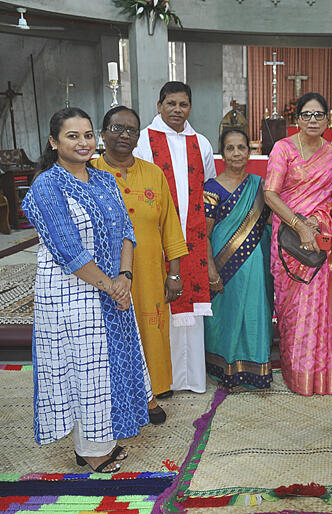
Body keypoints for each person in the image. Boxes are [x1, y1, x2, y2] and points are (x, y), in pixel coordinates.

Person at [22, 108, 152, 473]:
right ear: (54, 142)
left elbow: (127, 230)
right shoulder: (47, 186)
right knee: (84, 368)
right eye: (72, 136)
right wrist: (112, 286)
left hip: (112, 289)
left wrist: (124, 276)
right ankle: (91, 451)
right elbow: (68, 250)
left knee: (107, 365)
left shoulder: (104, 180)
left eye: (88, 135)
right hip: (71, 294)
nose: (83, 143)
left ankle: (103, 441)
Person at [92, 106, 188, 422]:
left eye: (131, 130)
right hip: (101, 274)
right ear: (103, 133)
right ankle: (109, 400)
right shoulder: (88, 172)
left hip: (147, 272)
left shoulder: (153, 173)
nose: (124, 135)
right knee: (107, 337)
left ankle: (150, 396)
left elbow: (170, 225)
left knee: (150, 332)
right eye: (117, 128)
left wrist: (174, 272)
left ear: (138, 137)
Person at [134, 81, 217, 396]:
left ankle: (191, 377)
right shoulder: (143, 140)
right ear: (159, 106)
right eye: (171, 104)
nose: (177, 110)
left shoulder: (201, 142)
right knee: (157, 305)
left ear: (190, 108)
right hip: (155, 237)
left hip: (193, 238)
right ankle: (159, 379)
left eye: (183, 104)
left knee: (190, 308)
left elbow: (207, 186)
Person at [265, 92, 332, 396]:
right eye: (307, 115)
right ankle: (297, 374)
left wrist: (316, 222)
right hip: (289, 241)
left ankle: (322, 376)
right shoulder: (283, 149)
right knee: (293, 310)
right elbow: (271, 194)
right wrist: (299, 225)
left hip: (321, 239)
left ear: (328, 120)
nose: (313, 120)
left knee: (321, 308)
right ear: (297, 119)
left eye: (319, 115)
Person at [204, 129, 273, 389]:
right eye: (230, 148)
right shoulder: (211, 188)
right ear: (222, 153)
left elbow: (269, 223)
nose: (236, 153)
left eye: (241, 147)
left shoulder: (260, 185)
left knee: (255, 312)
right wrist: (211, 269)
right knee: (226, 315)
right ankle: (223, 369)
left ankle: (254, 370)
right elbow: (204, 234)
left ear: (249, 151)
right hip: (223, 264)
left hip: (255, 263)